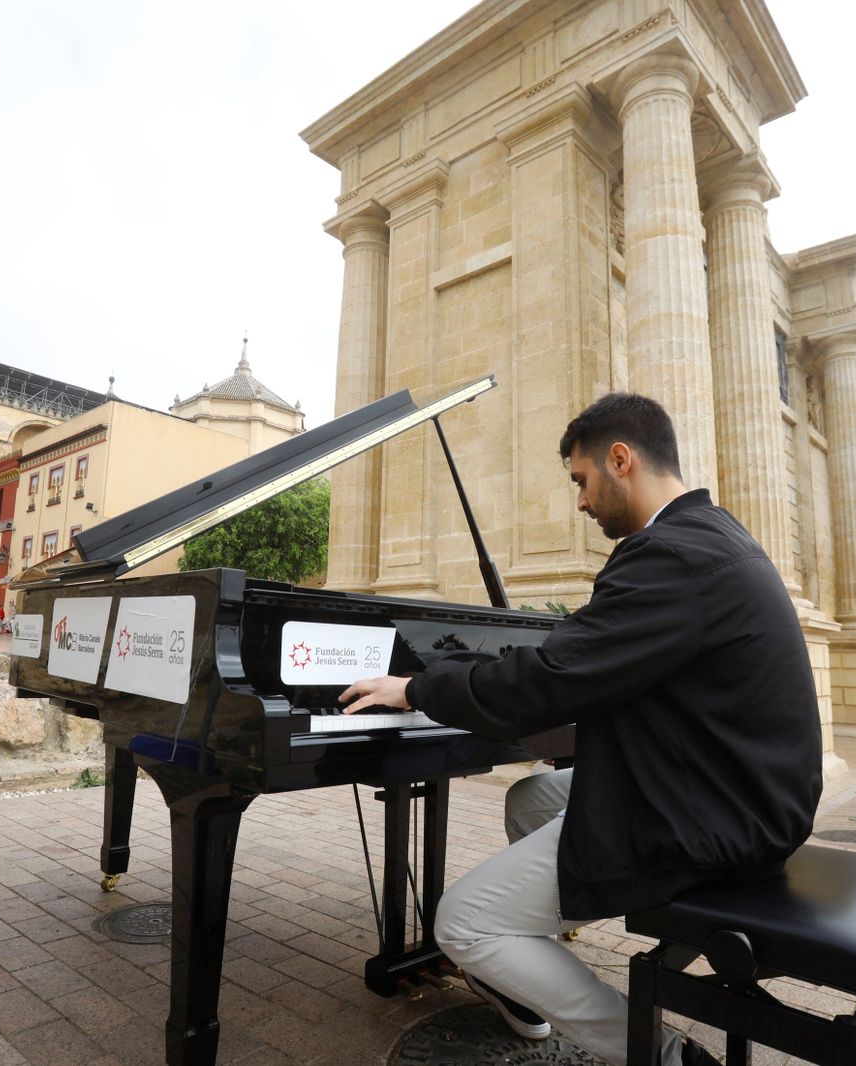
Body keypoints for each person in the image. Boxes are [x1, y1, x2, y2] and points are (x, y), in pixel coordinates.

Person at [339, 394, 821, 1065]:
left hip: (715, 819)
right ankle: (529, 973)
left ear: (620, 460)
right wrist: (509, 697)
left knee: (464, 922)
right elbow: (587, 668)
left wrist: (418, 687)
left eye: (581, 481)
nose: (581, 502)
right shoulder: (710, 536)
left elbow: (551, 680)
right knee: (530, 799)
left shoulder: (670, 557)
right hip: (733, 791)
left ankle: (662, 1053)